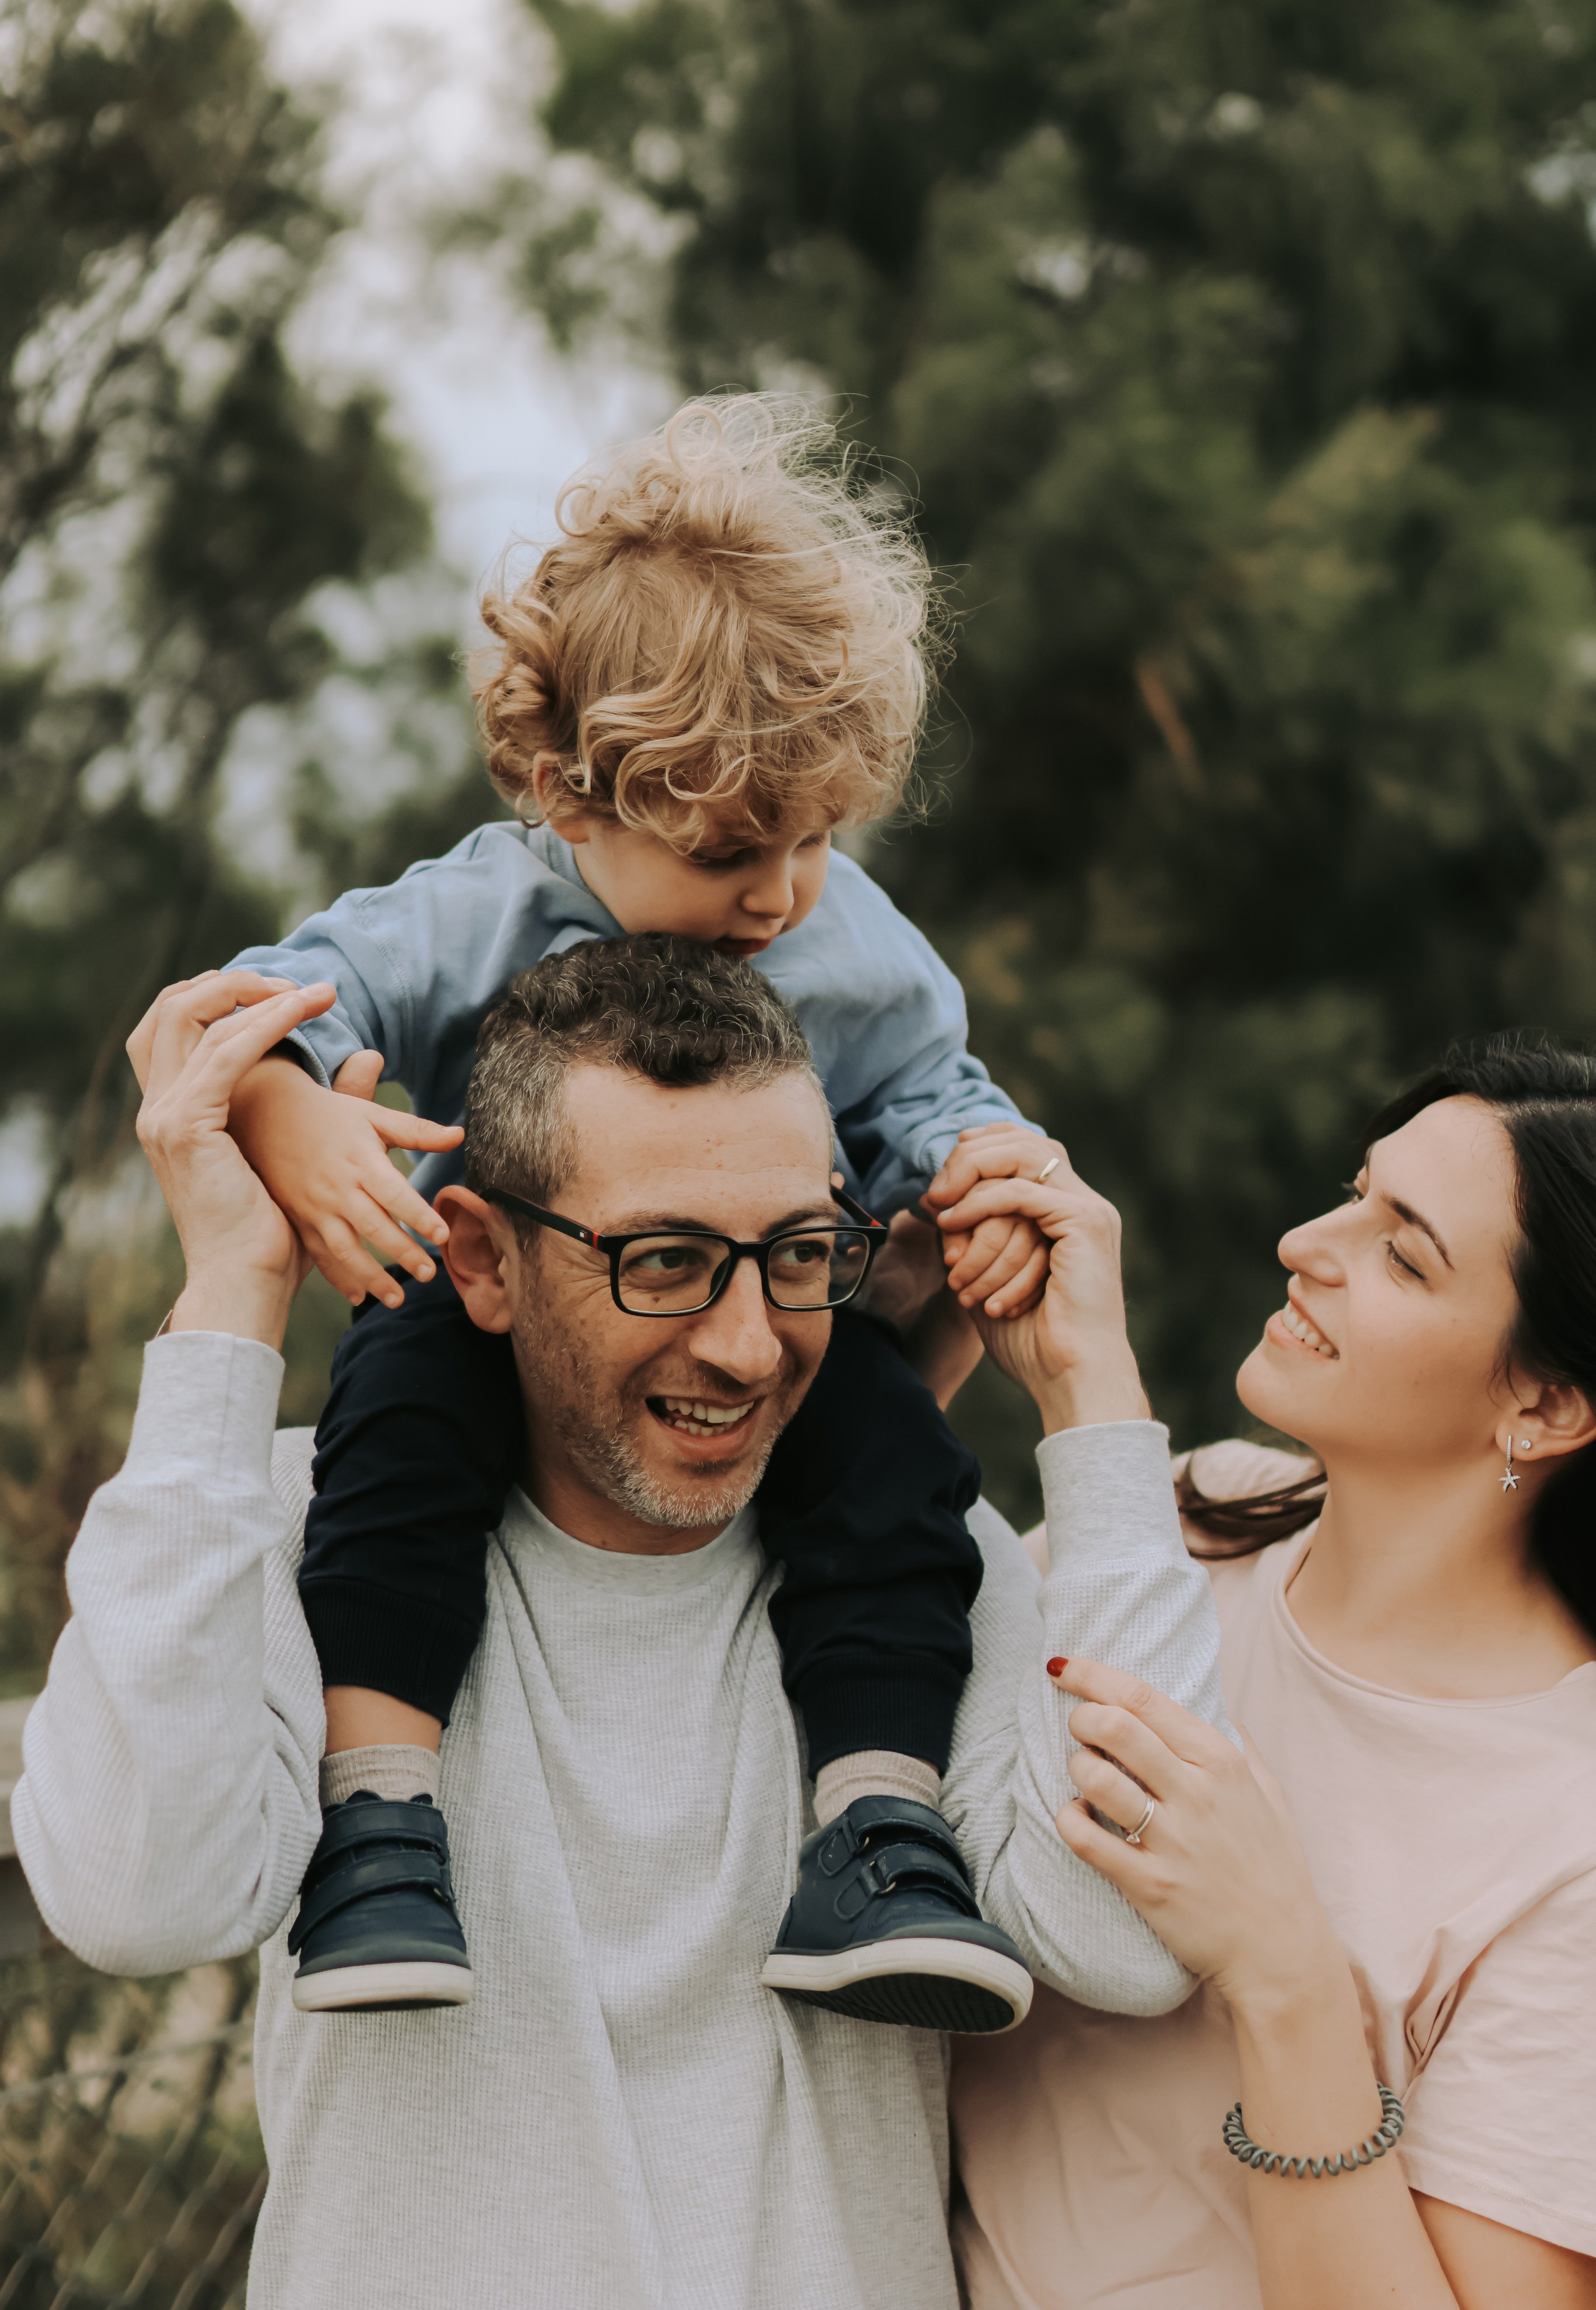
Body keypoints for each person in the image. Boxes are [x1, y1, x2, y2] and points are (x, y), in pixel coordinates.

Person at [17, 938, 1228, 2310]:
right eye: (664, 1261)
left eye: (795, 1258)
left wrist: (1094, 1396)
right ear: (478, 1259)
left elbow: (1129, 1941)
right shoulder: (293, 1527)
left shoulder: (913, 1565)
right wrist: (233, 1290)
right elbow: (134, 1893)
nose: (747, 1344)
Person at [210, 393, 1057, 2020]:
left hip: (755, 1341)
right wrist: (293, 1115)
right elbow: (255, 1006)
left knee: (897, 1469)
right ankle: (380, 1821)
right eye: (739, 844)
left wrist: (982, 1181)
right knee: (391, 1444)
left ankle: (879, 1821)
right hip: (500, 1323)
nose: (785, 892)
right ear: (574, 789)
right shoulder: (478, 912)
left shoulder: (847, 942)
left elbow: (936, 1093)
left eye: (819, 835)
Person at [950, 1034, 1596, 2309]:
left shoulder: (1567, 1833)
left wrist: (1283, 1971)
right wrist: (1060, 1379)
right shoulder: (1194, 1515)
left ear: (1544, 1406)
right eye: (1353, 1190)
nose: (1309, 1241)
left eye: (1400, 1251)